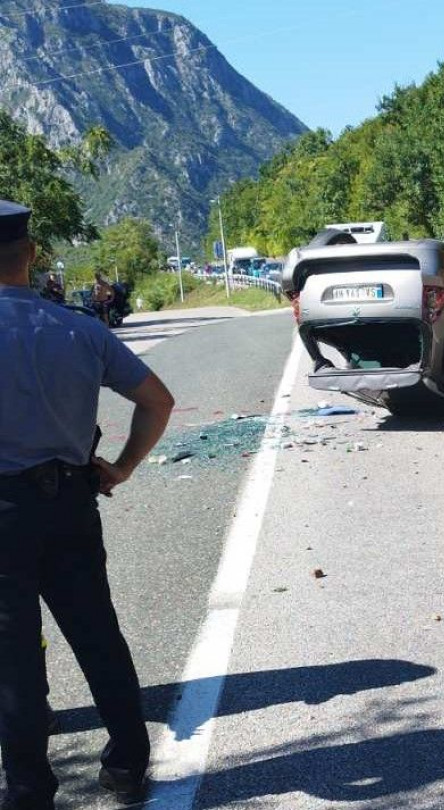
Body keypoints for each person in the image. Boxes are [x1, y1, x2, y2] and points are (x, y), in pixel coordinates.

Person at [0, 200, 174, 809]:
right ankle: (127, 764)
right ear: (31, 254)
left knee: (13, 658)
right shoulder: (80, 329)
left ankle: (29, 791)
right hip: (72, 502)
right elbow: (158, 401)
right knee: (98, 635)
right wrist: (121, 467)